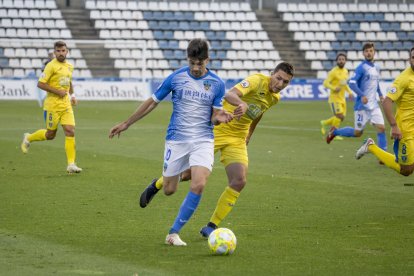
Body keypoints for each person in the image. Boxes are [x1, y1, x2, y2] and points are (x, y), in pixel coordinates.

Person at [139, 62, 295, 238]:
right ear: (271, 74)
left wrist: (249, 133)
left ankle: (211, 226)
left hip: (237, 139)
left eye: (285, 82)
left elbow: (258, 112)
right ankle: (157, 184)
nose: (280, 84)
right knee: (189, 174)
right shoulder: (256, 80)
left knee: (239, 180)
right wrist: (241, 103)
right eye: (278, 78)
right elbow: (230, 94)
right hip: (217, 131)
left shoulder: (274, 98)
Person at [109, 39, 235, 246]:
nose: (195, 68)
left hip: (203, 139)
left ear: (207, 60)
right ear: (188, 59)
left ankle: (173, 232)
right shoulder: (176, 78)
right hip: (177, 140)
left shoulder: (217, 84)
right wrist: (126, 123)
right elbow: (152, 102)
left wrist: (218, 119)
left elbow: (214, 118)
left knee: (199, 182)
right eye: (192, 63)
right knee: (170, 189)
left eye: (200, 64)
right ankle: (157, 184)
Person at [21, 41, 82, 173]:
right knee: (50, 135)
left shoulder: (70, 66)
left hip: (66, 105)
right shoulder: (50, 66)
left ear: (67, 52)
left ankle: (71, 164)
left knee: (70, 130)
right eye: (58, 51)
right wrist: (57, 91)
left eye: (63, 51)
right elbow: (41, 84)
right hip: (52, 106)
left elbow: (69, 81)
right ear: (55, 53)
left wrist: (72, 95)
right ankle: (29, 137)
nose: (61, 53)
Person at [355, 47, 414, 176]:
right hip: (406, 129)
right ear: (410, 59)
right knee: (406, 170)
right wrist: (394, 126)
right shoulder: (404, 79)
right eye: (413, 57)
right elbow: (387, 102)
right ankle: (371, 147)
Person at [326, 42, 387, 154]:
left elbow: (376, 83)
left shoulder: (377, 68)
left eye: (371, 51)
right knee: (357, 133)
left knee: (382, 128)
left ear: (374, 52)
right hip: (361, 107)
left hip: (374, 106)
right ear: (363, 53)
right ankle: (335, 132)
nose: (369, 53)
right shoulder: (361, 68)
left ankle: (382, 154)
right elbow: (352, 83)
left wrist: (381, 94)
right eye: (366, 51)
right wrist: (362, 95)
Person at [320, 53, 354, 138]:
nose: (341, 61)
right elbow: (325, 83)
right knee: (339, 116)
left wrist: (349, 92)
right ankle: (334, 133)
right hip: (334, 98)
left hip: (342, 98)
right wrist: (334, 88)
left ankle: (325, 123)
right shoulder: (333, 72)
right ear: (337, 61)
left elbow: (344, 84)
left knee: (341, 118)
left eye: (343, 59)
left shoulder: (345, 71)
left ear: (345, 61)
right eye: (339, 59)